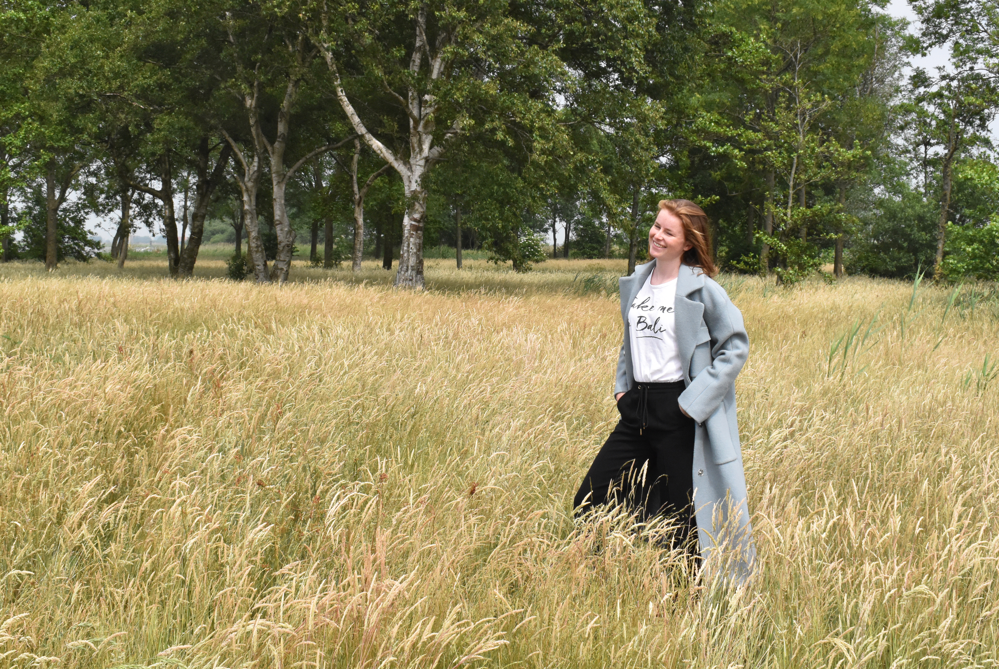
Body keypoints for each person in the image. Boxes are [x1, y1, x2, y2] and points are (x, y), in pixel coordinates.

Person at [573, 198, 755, 584]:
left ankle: (684, 598)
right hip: (636, 408)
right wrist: (622, 391)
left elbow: (735, 347)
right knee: (591, 497)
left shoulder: (703, 290)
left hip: (679, 410)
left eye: (668, 232)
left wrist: (690, 405)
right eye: (657, 226)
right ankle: (598, 583)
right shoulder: (639, 281)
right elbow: (630, 341)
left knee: (682, 517)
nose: (657, 235)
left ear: (687, 243)